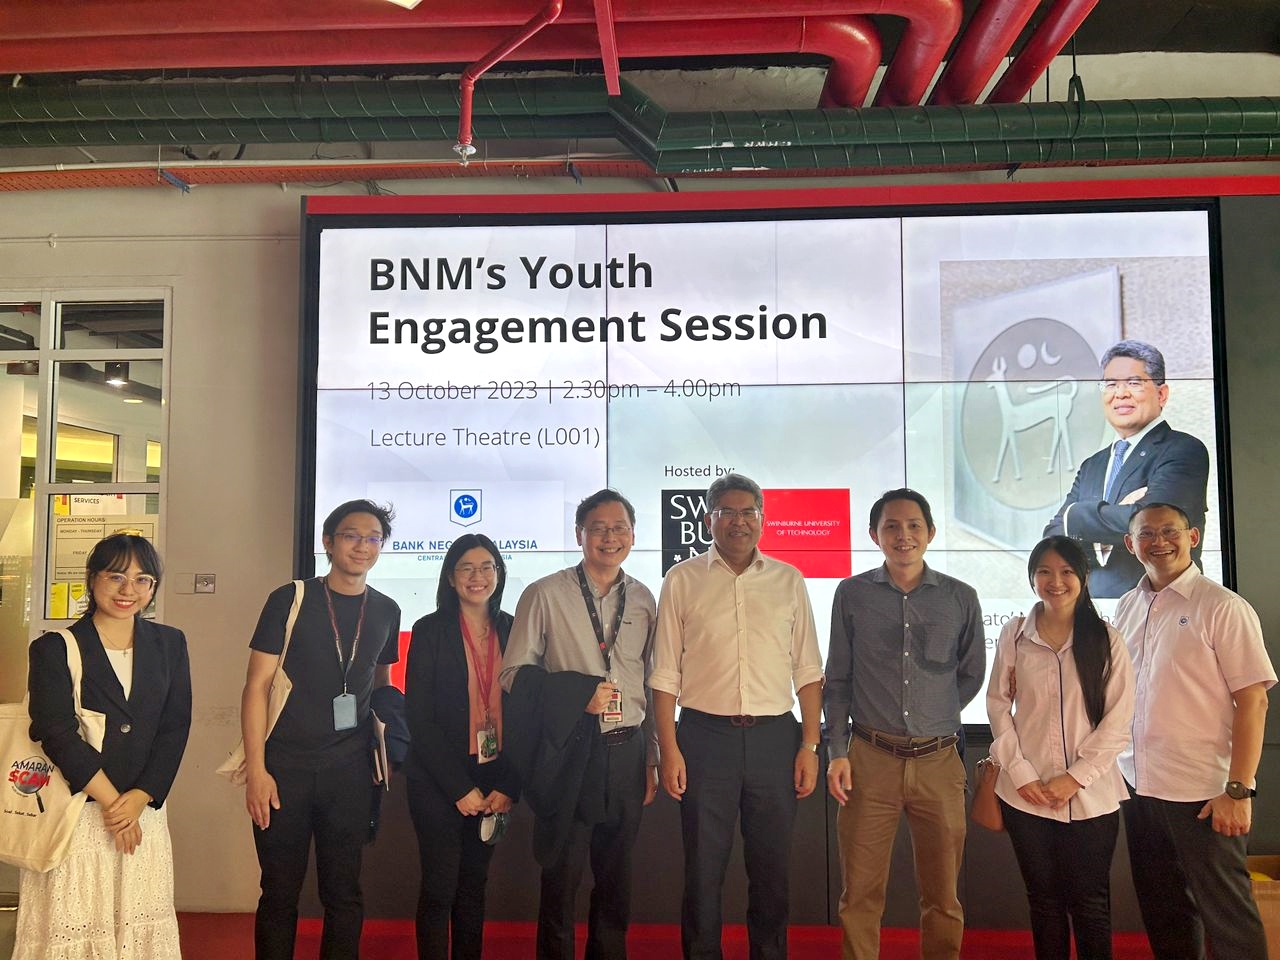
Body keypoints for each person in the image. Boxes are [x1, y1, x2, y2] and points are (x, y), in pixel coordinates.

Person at [652, 473, 824, 960]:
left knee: (772, 872)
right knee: (703, 871)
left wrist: (810, 746)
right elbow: (664, 675)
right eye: (728, 512)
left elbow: (808, 670)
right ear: (709, 519)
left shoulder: (788, 580)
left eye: (749, 512)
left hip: (776, 740)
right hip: (704, 738)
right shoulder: (682, 580)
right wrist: (670, 750)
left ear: (763, 520)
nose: (739, 522)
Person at [824, 488, 984, 960]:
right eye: (891, 526)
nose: (903, 535)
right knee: (859, 896)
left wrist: (935, 712)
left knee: (943, 897)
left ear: (931, 533)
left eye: (914, 525)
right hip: (869, 758)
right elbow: (838, 680)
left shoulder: (961, 597)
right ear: (874, 535)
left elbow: (971, 674)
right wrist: (837, 753)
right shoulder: (851, 594)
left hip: (939, 762)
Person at [499, 489, 658, 960]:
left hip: (627, 752)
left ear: (633, 534)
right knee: (562, 879)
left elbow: (648, 684)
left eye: (619, 528)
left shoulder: (645, 598)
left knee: (616, 880)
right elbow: (512, 676)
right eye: (598, 528)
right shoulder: (544, 593)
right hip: (570, 750)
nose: (610, 537)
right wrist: (576, 693)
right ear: (579, 535)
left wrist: (651, 758)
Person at [16, 532, 191, 960]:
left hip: (143, 811)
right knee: (76, 925)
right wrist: (116, 804)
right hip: (77, 814)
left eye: (142, 580)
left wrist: (142, 797)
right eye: (116, 577)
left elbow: (175, 726)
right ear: (92, 580)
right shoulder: (54, 647)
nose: (128, 590)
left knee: (137, 924)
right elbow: (54, 730)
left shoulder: (170, 644)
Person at [241, 499, 402, 959]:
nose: (363, 546)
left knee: (344, 893)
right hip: (283, 769)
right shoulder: (290, 599)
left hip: (349, 773)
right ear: (328, 542)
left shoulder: (387, 610)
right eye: (352, 535)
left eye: (374, 538)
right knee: (279, 893)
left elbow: (381, 682)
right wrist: (256, 770)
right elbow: (256, 687)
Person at [1114, 502, 1275, 960]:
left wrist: (1238, 790)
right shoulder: (1128, 605)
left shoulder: (1222, 606)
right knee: (1163, 909)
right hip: (1140, 786)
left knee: (1227, 916)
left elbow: (1254, 700)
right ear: (1130, 544)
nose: (1159, 541)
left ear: (1194, 537)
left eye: (1170, 531)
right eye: (1147, 534)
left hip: (1206, 793)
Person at [986, 535, 1136, 960]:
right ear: (1032, 578)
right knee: (1044, 903)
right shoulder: (1015, 634)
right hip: (1026, 796)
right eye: (1045, 572)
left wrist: (1076, 778)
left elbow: (1118, 719)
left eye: (1067, 571)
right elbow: (998, 705)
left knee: (1090, 906)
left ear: (1084, 577)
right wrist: (1022, 774)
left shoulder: (1107, 639)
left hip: (1091, 798)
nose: (1056, 581)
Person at [405, 534, 519, 960]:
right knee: (440, 886)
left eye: (487, 566)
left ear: (499, 573)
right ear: (450, 578)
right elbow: (419, 716)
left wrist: (509, 784)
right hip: (439, 777)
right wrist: (458, 788)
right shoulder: (429, 630)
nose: (478, 576)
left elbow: (527, 713)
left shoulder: (513, 628)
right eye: (467, 568)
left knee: (474, 886)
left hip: (494, 774)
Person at [1045, 339, 1209, 598]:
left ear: (1162, 394)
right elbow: (1053, 536)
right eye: (1111, 384)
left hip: (1162, 607)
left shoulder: (1183, 450)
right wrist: (1121, 514)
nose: (1120, 393)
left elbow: (1150, 524)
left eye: (1133, 383)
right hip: (1095, 616)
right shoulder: (1092, 465)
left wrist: (1077, 517)